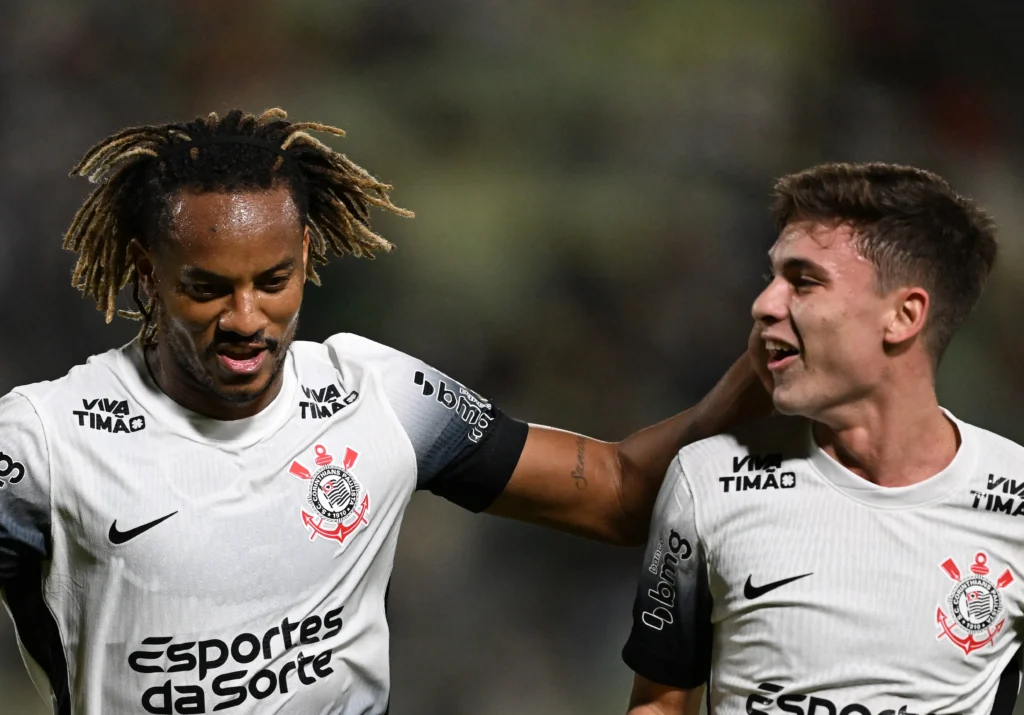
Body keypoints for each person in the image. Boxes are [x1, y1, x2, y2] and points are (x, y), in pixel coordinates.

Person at [0, 108, 766, 714]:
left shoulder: (378, 395)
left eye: (273, 281)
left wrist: (768, 368)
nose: (246, 318)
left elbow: (619, 492)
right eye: (207, 288)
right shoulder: (44, 441)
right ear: (147, 272)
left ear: (306, 256)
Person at [621, 162, 1022, 715]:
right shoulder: (706, 480)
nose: (764, 305)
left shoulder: (1015, 499)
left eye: (804, 281)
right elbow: (658, 705)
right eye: (772, 278)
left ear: (903, 316)